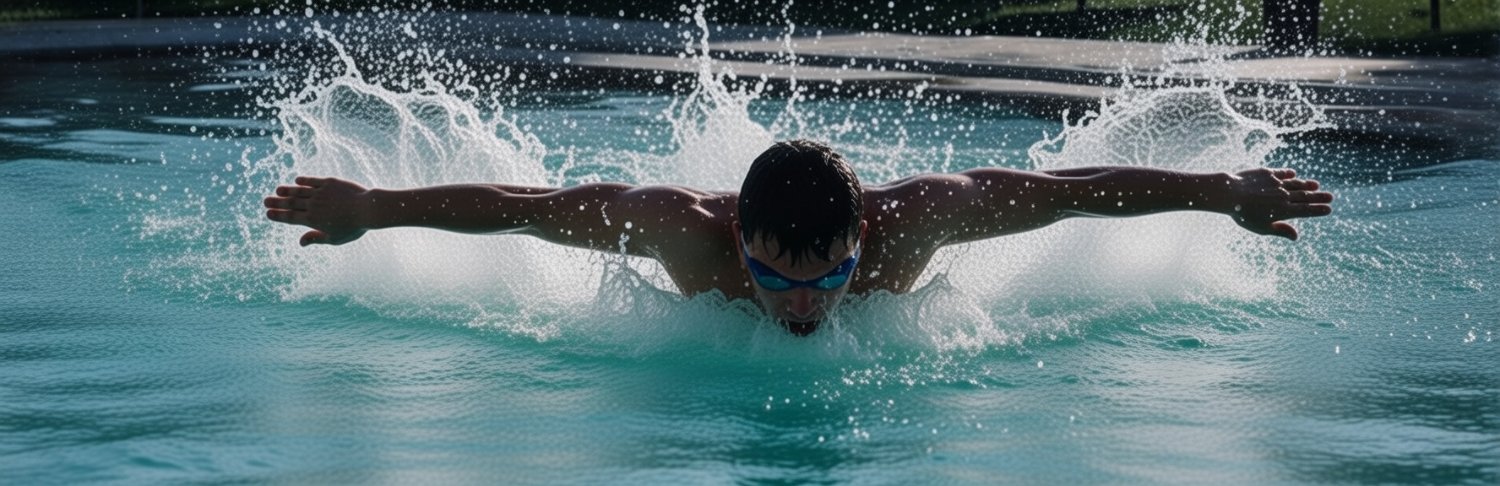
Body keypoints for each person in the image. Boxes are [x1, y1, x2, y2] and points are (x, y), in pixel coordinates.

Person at [263, 139, 1334, 335]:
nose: (803, 305)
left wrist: (1214, 189)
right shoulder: (682, 237)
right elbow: (524, 209)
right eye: (777, 278)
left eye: (829, 277)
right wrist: (377, 210)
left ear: (866, 237)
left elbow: (1068, 193)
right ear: (743, 244)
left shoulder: (918, 226)